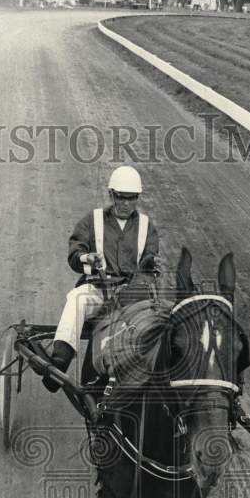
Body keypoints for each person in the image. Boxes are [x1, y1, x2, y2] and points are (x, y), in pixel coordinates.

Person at [31, 165, 159, 391]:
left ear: (138, 198)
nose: (126, 204)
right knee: (77, 300)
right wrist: (86, 258)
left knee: (154, 325)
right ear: (111, 194)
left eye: (131, 198)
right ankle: (59, 362)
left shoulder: (147, 227)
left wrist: (145, 273)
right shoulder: (93, 220)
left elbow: (150, 263)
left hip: (132, 296)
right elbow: (74, 253)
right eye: (121, 197)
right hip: (99, 290)